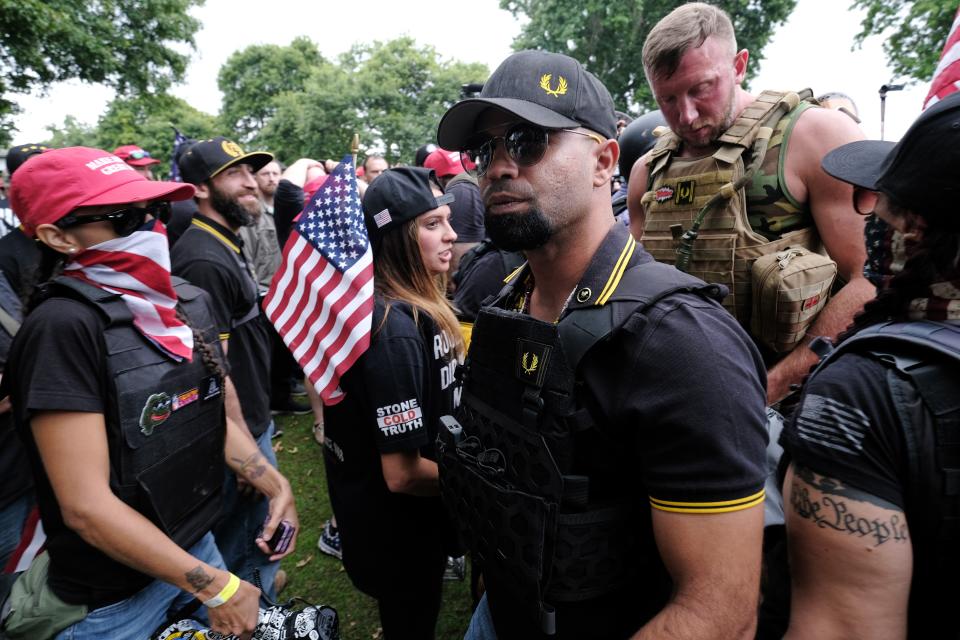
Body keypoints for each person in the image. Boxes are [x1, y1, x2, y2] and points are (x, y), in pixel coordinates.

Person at [436, 49, 768, 640]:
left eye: (527, 139)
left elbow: (720, 612)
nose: (499, 167)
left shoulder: (681, 345)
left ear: (603, 162)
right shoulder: (509, 302)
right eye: (485, 150)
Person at [1, 147, 298, 640]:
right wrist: (216, 588)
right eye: (124, 217)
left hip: (192, 546)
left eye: (154, 211)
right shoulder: (62, 328)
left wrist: (272, 482)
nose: (149, 228)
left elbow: (195, 409)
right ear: (58, 236)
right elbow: (85, 506)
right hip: (113, 601)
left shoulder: (170, 302)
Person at [628, 2, 874, 404]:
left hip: (786, 398)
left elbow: (870, 280)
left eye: (701, 88)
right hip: (675, 394)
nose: (686, 115)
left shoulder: (813, 137)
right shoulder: (649, 171)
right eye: (667, 99)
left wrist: (770, 388)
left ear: (739, 65)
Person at [780, 92, 960, 639]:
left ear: (914, 228)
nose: (870, 216)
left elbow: (841, 626)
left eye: (875, 199)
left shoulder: (860, 394)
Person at [322, 166, 463, 639]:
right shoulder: (394, 330)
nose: (452, 234)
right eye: (432, 224)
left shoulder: (411, 308)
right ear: (398, 237)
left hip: (406, 525)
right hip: (400, 534)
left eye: (447, 219)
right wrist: (483, 488)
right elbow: (401, 474)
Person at [170, 136, 286, 599]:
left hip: (252, 421)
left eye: (250, 172)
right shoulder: (202, 258)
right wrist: (245, 456)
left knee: (253, 544)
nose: (251, 183)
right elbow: (212, 371)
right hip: (238, 430)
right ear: (200, 187)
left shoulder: (223, 241)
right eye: (234, 174)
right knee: (248, 552)